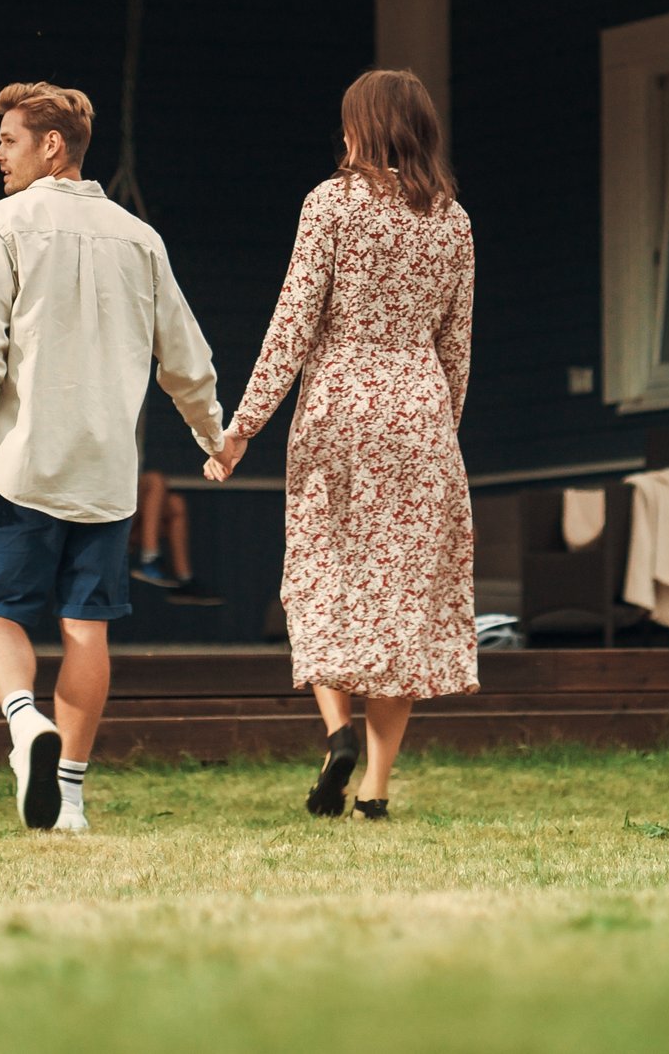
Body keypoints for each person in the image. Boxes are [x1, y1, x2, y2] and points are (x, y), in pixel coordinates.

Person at [0, 81, 225, 834]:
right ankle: (68, 798)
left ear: (51, 146)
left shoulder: (0, 224)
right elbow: (186, 356)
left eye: (8, 140)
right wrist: (214, 436)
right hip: (107, 474)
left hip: (22, 463)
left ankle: (24, 723)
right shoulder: (140, 238)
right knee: (87, 628)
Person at [208, 69, 474, 821]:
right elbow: (456, 344)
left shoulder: (330, 204)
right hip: (420, 414)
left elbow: (292, 324)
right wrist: (441, 430)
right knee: (402, 599)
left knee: (323, 573)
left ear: (363, 128)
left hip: (340, 409)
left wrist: (241, 429)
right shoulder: (453, 219)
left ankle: (337, 734)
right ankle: (376, 790)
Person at [132, 467, 222, 605]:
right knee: (155, 480)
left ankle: (184, 579)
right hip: (107, 514)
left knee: (176, 504)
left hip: (130, 517)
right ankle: (149, 557)